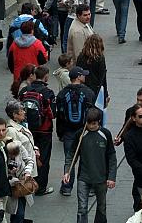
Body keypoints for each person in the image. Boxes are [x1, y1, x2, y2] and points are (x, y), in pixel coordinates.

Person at [61, 107, 116, 223]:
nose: (91, 126)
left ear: (99, 122)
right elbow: (72, 155)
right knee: (82, 208)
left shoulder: (105, 134)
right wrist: (67, 171)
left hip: (101, 178)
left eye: (94, 124)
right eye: (89, 123)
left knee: (101, 207)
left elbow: (112, 156)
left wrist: (111, 177)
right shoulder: (80, 134)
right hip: (83, 177)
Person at [55, 67, 96, 196]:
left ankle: (66, 187)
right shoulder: (88, 92)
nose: (85, 76)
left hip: (68, 131)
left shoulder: (62, 93)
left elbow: (59, 115)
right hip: (85, 130)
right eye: (83, 75)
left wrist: (60, 133)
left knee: (69, 159)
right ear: (78, 77)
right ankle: (88, 188)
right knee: (87, 159)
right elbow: (93, 113)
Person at [18, 65, 54, 195]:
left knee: (28, 155)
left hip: (28, 129)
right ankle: (41, 188)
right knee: (43, 158)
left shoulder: (24, 90)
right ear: (45, 76)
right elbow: (52, 113)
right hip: (44, 130)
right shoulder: (47, 92)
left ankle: (27, 182)